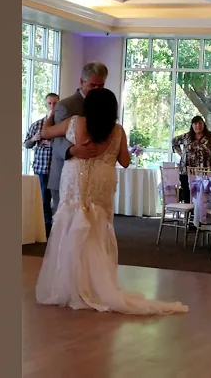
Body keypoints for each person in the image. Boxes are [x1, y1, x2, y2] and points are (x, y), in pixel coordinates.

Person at [35, 88, 189, 315]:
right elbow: (125, 161)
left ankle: (72, 285)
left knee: (72, 224)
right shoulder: (117, 131)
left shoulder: (76, 122)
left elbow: (46, 132)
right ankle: (97, 285)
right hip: (102, 181)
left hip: (77, 177)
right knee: (97, 230)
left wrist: (51, 113)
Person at [47, 62, 107, 214]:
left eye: (101, 86)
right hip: (65, 174)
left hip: (92, 177)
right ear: (81, 82)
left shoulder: (104, 105)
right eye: (92, 85)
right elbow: (55, 138)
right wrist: (73, 150)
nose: (97, 90)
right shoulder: (66, 105)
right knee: (65, 226)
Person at [171, 116, 211, 203]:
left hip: (205, 174)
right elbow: (174, 141)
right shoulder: (186, 137)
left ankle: (202, 216)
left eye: (200, 123)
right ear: (192, 126)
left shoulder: (210, 137)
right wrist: (181, 154)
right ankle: (189, 216)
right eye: (195, 124)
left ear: (203, 124)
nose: (198, 126)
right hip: (187, 173)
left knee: (204, 199)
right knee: (188, 198)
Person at [23, 92, 59, 235]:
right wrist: (34, 138)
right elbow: (26, 144)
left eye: (55, 103)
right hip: (41, 168)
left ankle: (58, 227)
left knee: (58, 199)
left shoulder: (62, 125)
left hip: (58, 169)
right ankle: (45, 227)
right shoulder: (37, 125)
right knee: (43, 199)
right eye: (49, 103)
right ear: (46, 104)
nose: (52, 106)